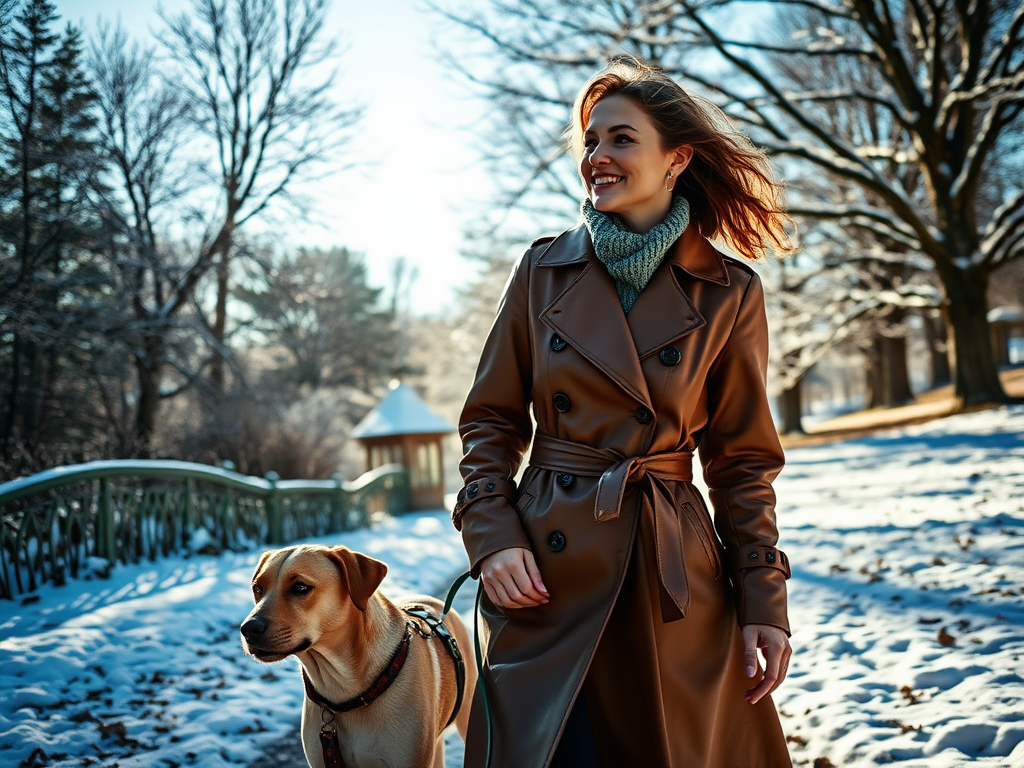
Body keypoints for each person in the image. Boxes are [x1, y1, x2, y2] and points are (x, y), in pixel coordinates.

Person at [452, 57, 794, 768]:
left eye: (620, 140)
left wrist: (763, 601)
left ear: (678, 158)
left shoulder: (729, 291)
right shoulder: (542, 271)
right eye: (590, 141)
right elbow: (490, 421)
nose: (596, 158)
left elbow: (742, 462)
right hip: (547, 571)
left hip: (672, 577)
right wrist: (492, 535)